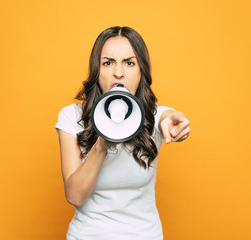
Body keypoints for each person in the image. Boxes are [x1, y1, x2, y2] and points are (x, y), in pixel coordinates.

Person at [55, 26, 190, 240]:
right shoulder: (71, 117)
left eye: (129, 63)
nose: (119, 72)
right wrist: (102, 142)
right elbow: (74, 195)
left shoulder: (155, 117)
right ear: (96, 71)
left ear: (141, 71)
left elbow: (168, 117)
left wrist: (176, 123)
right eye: (108, 63)